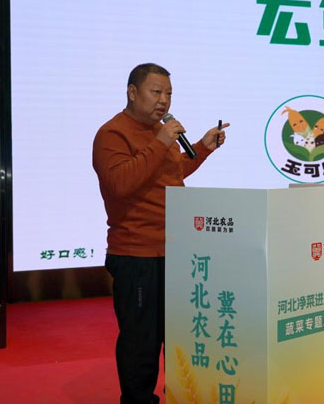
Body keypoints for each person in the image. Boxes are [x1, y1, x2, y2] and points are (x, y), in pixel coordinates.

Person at [92, 63, 228, 404]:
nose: (164, 100)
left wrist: (203, 147)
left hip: (176, 250)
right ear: (132, 92)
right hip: (137, 254)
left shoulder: (161, 133)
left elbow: (171, 172)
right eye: (156, 92)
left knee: (178, 333)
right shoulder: (113, 134)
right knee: (142, 340)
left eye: (168, 93)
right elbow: (121, 183)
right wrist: (160, 141)